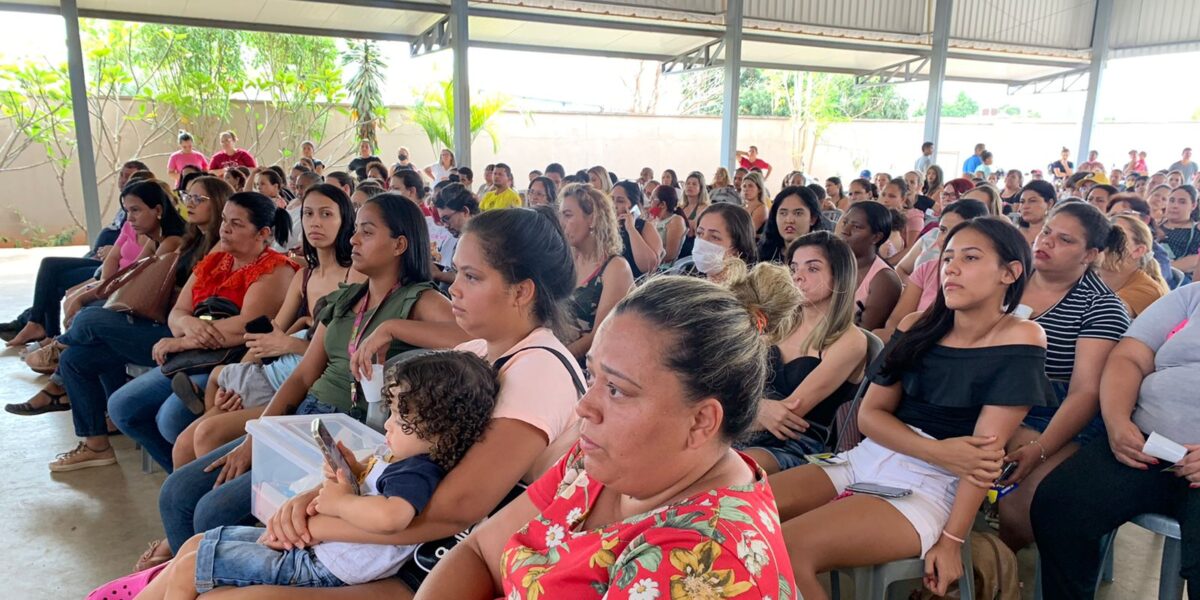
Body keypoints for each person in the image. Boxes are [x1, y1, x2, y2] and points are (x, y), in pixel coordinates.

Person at [417, 275, 798, 600]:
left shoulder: (701, 562)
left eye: (616, 389)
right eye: (592, 374)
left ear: (700, 422)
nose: (585, 406)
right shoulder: (603, 462)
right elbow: (481, 552)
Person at [153, 193, 468, 573]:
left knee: (212, 509)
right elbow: (303, 376)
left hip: (346, 436)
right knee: (177, 492)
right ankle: (175, 576)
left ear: (400, 244)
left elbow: (468, 339)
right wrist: (257, 436)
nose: (352, 240)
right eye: (355, 232)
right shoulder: (348, 298)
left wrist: (392, 328)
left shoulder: (420, 300)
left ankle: (206, 575)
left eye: (366, 233)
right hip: (304, 419)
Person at [771, 216, 1053, 600]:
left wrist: (952, 541)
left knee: (787, 546)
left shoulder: (1021, 336)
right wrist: (937, 449)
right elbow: (870, 417)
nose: (950, 267)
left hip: (929, 488)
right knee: (741, 514)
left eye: (970, 258)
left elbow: (980, 460)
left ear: (1010, 272)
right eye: (948, 257)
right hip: (866, 458)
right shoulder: (918, 324)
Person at [124, 351, 498, 599]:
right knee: (196, 544)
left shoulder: (417, 470)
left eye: (401, 417)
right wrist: (347, 476)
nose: (388, 424)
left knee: (191, 566)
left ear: (437, 428)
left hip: (322, 567)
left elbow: (391, 516)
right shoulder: (406, 461)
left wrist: (341, 500)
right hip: (319, 553)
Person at [48, 191, 295, 472]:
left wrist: (183, 339)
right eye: (225, 220)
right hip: (193, 350)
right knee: (121, 407)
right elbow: (178, 311)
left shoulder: (275, 269)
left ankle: (190, 470)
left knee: (168, 419)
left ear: (262, 233)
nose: (224, 228)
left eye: (236, 224)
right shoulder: (217, 261)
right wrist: (188, 325)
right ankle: (179, 475)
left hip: (227, 358)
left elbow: (247, 325)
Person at [169, 184, 360, 469]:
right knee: (183, 446)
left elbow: (343, 353)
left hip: (310, 386)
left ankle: (226, 506)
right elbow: (265, 338)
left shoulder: (354, 276)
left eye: (326, 214)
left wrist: (289, 344)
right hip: (276, 372)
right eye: (308, 214)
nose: (315, 222)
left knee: (208, 434)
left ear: (344, 220)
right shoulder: (305, 277)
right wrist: (240, 376)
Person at [1031, 283, 1200, 599]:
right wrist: (1118, 420)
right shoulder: (1192, 296)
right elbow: (1129, 357)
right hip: (1148, 443)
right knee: (1060, 504)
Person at [994, 202, 1131, 551]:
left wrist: (1039, 449)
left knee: (1019, 508)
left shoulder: (1101, 306)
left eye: (1065, 240)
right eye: (1047, 232)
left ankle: (991, 572)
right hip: (994, 395)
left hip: (1057, 410)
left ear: (1090, 254)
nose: (1047, 242)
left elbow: (1085, 392)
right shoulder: (1008, 280)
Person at [740, 232, 867, 474]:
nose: (798, 276)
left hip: (797, 445)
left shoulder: (851, 340)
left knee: (727, 468)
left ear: (839, 276)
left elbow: (789, 412)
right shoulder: (777, 323)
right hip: (745, 426)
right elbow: (733, 381)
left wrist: (745, 409)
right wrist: (756, 409)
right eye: (794, 267)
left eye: (813, 268)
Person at [877, 199, 991, 341]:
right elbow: (895, 323)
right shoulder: (927, 269)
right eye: (942, 230)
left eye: (957, 231)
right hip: (912, 344)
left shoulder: (984, 278)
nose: (945, 238)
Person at [558, 184, 634, 360]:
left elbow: (599, 336)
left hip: (586, 364)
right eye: (560, 215)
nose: (561, 223)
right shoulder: (567, 260)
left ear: (592, 219)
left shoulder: (615, 268)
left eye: (568, 215)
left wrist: (557, 359)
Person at [839, 202, 901, 330]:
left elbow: (865, 334)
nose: (845, 231)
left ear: (876, 237)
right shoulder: (833, 264)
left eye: (856, 227)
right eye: (845, 223)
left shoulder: (885, 280)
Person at [1101, 214, 1169, 317]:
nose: (1102, 241)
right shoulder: (1088, 276)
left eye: (1115, 236)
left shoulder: (1147, 290)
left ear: (1138, 251)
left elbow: (1105, 314)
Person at [686, 203, 757, 282]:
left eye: (714, 237)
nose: (702, 242)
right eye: (700, 233)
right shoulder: (696, 282)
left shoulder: (742, 292)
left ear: (736, 250)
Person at [758, 185, 829, 264]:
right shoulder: (763, 253)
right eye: (783, 213)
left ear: (812, 219)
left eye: (798, 213)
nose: (789, 220)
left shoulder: (824, 257)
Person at [611, 180, 663, 279]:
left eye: (620, 201)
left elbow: (649, 267)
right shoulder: (605, 228)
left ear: (634, 206)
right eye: (611, 199)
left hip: (640, 286)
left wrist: (631, 229)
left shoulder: (645, 227)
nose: (614, 205)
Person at [1160, 185, 1200, 277]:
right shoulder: (1153, 226)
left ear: (1193, 206)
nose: (1175, 205)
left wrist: (1162, 269)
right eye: (1171, 200)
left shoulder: (1197, 232)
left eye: (1182, 202)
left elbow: (1195, 261)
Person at [881, 177, 923, 251]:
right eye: (883, 195)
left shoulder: (914, 217)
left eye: (892, 196)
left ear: (903, 199)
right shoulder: (880, 214)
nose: (885, 200)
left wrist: (885, 262)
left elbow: (912, 249)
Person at [650, 184, 687, 264]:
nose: (650, 202)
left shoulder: (676, 220)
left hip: (663, 269)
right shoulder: (654, 220)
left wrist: (646, 259)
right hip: (651, 263)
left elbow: (670, 255)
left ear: (662, 204)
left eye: (653, 199)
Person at [1017, 180, 1057, 247]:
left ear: (1050, 204)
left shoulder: (1057, 237)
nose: (1025, 206)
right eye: (1022, 202)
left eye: (1032, 201)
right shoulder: (1014, 234)